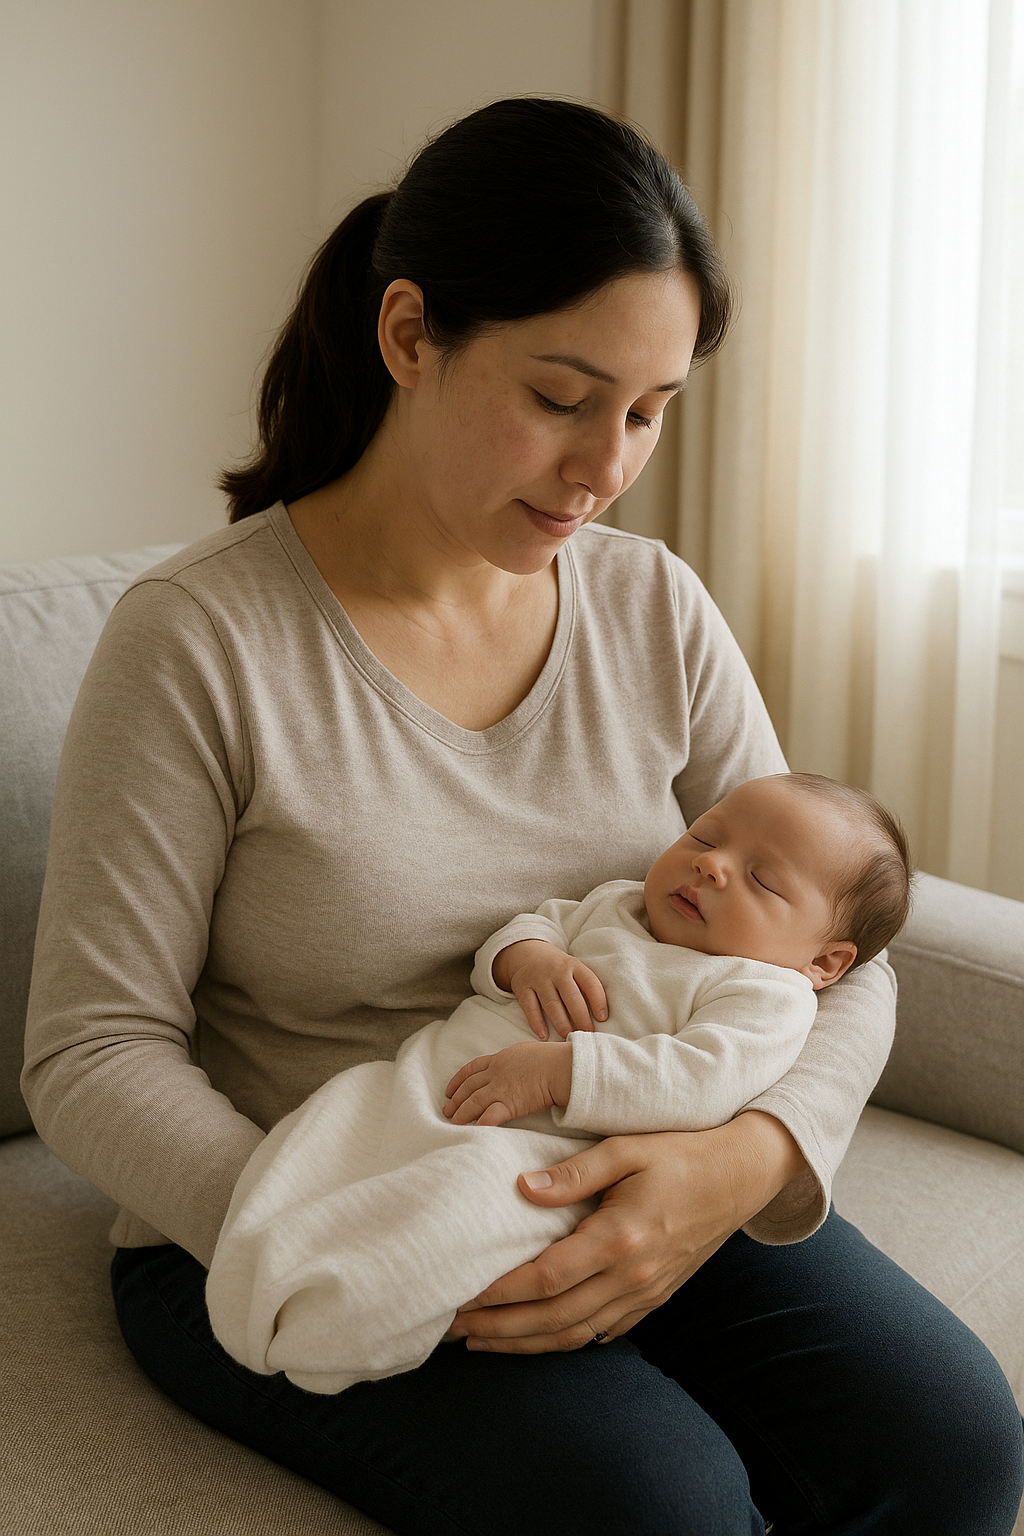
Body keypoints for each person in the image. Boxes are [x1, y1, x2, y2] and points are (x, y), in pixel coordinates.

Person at [21, 98, 1022, 1535]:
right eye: (565, 398)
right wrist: (366, 1230)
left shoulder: (651, 604)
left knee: (955, 1442)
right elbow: (91, 1049)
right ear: (411, 334)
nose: (607, 465)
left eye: (650, 412)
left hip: (619, 1149)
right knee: (660, 1505)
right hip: (302, 1213)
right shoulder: (199, 642)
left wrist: (737, 1163)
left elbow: (837, 956)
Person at [205, 772, 913, 1397]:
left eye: (762, 879)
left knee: (447, 1221)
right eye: (703, 835)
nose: (714, 866)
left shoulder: (766, 994)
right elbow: (529, 929)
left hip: (537, 1152)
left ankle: (341, 1328)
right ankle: (256, 1265)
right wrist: (529, 959)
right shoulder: (618, 904)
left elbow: (699, 1080)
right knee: (326, 1135)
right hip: (422, 1081)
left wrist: (562, 1072)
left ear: (824, 962)